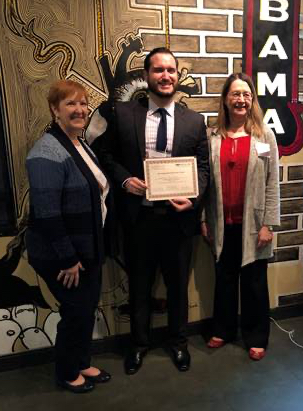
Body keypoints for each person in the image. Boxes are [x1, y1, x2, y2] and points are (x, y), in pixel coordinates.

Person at [92, 47, 209, 374]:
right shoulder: (124, 113)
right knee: (140, 286)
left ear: (176, 75)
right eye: (158, 70)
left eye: (171, 70)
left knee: (177, 289)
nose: (166, 76)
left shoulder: (194, 121)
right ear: (147, 76)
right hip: (138, 219)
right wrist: (125, 179)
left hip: (178, 220)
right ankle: (139, 345)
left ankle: (179, 342)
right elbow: (106, 156)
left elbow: (203, 169)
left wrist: (194, 199)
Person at [26, 80, 115, 393]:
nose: (80, 110)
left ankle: (81, 361)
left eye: (83, 103)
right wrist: (68, 259)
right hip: (61, 254)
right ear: (55, 109)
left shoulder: (79, 144)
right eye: (71, 104)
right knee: (75, 311)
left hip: (85, 248)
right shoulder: (46, 152)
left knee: (85, 308)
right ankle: (66, 372)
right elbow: (48, 213)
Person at [201, 73, 280, 360]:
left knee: (255, 284)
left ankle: (256, 336)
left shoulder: (264, 135)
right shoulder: (212, 137)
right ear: (225, 99)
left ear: (252, 100)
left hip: (254, 226)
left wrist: (268, 224)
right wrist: (203, 220)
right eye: (235, 94)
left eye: (246, 94)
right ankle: (222, 330)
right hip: (222, 223)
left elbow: (273, 182)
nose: (241, 99)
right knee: (223, 280)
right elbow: (205, 183)